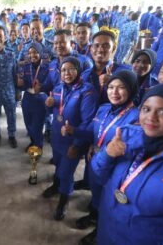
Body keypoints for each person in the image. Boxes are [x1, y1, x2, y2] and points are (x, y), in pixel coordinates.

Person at [64, 70, 139, 244]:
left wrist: (102, 149)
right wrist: (74, 131)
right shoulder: (103, 109)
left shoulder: (136, 117)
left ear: (132, 90)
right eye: (111, 87)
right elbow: (93, 132)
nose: (114, 92)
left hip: (116, 168)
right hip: (95, 161)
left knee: (109, 201)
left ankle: (100, 231)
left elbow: (130, 148)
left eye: (121, 88)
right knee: (96, 193)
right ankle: (94, 217)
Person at [92, 83, 163, 245]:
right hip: (107, 228)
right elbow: (98, 174)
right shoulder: (126, 135)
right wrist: (106, 155)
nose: (151, 117)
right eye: (146, 109)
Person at [44, 57, 98, 220]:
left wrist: (77, 144)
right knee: (58, 166)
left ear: (78, 70)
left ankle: (64, 199)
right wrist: (49, 104)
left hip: (72, 141)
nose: (67, 73)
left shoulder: (87, 91)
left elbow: (88, 122)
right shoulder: (58, 88)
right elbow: (57, 110)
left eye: (71, 69)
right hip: (57, 137)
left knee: (67, 173)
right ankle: (56, 185)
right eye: (63, 70)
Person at [17, 42, 49, 151]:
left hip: (40, 99)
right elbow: (23, 84)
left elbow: (50, 84)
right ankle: (33, 141)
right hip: (27, 98)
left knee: (37, 126)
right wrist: (20, 84)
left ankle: (38, 147)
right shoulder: (26, 67)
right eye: (30, 53)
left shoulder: (47, 67)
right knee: (28, 124)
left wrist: (42, 86)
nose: (32, 55)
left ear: (40, 53)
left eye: (35, 52)